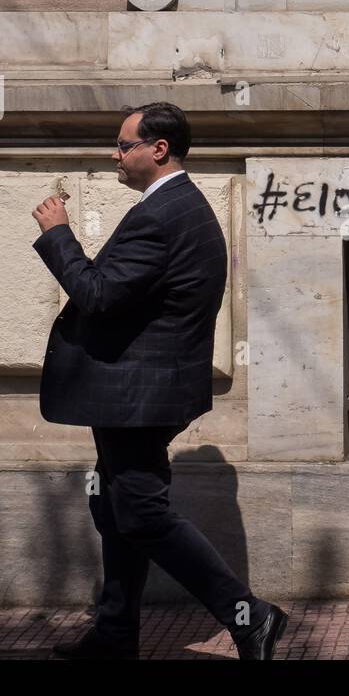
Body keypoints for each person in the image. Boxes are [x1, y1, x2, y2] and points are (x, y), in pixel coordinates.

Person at [32, 102, 287, 660]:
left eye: (123, 145)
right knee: (116, 509)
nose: (114, 154)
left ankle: (250, 617)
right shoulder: (176, 206)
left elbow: (97, 295)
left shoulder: (162, 214)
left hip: (138, 394)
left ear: (158, 149)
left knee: (140, 511)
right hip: (140, 389)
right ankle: (115, 634)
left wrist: (58, 235)